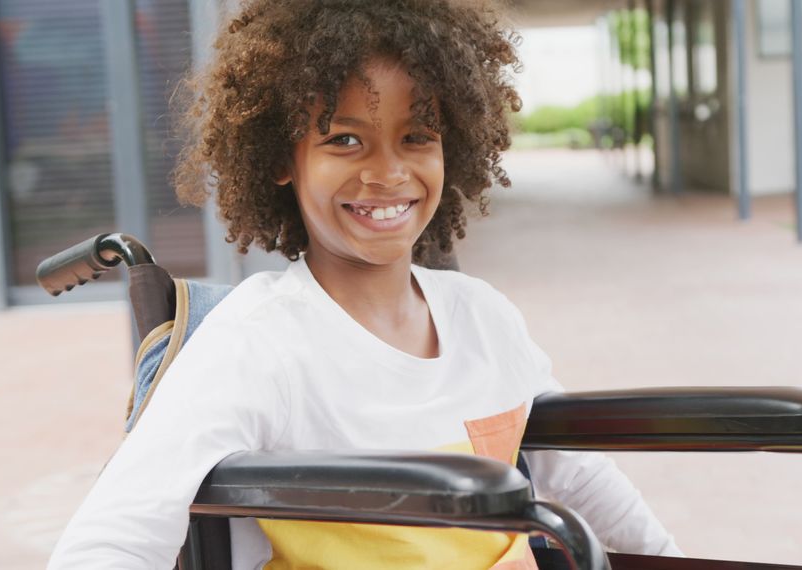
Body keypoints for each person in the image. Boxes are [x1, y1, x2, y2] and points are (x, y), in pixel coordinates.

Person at [49, 0, 681, 567]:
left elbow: (586, 482)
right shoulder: (258, 344)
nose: (388, 172)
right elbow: (112, 539)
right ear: (278, 159)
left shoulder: (484, 318)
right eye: (344, 139)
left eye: (417, 137)